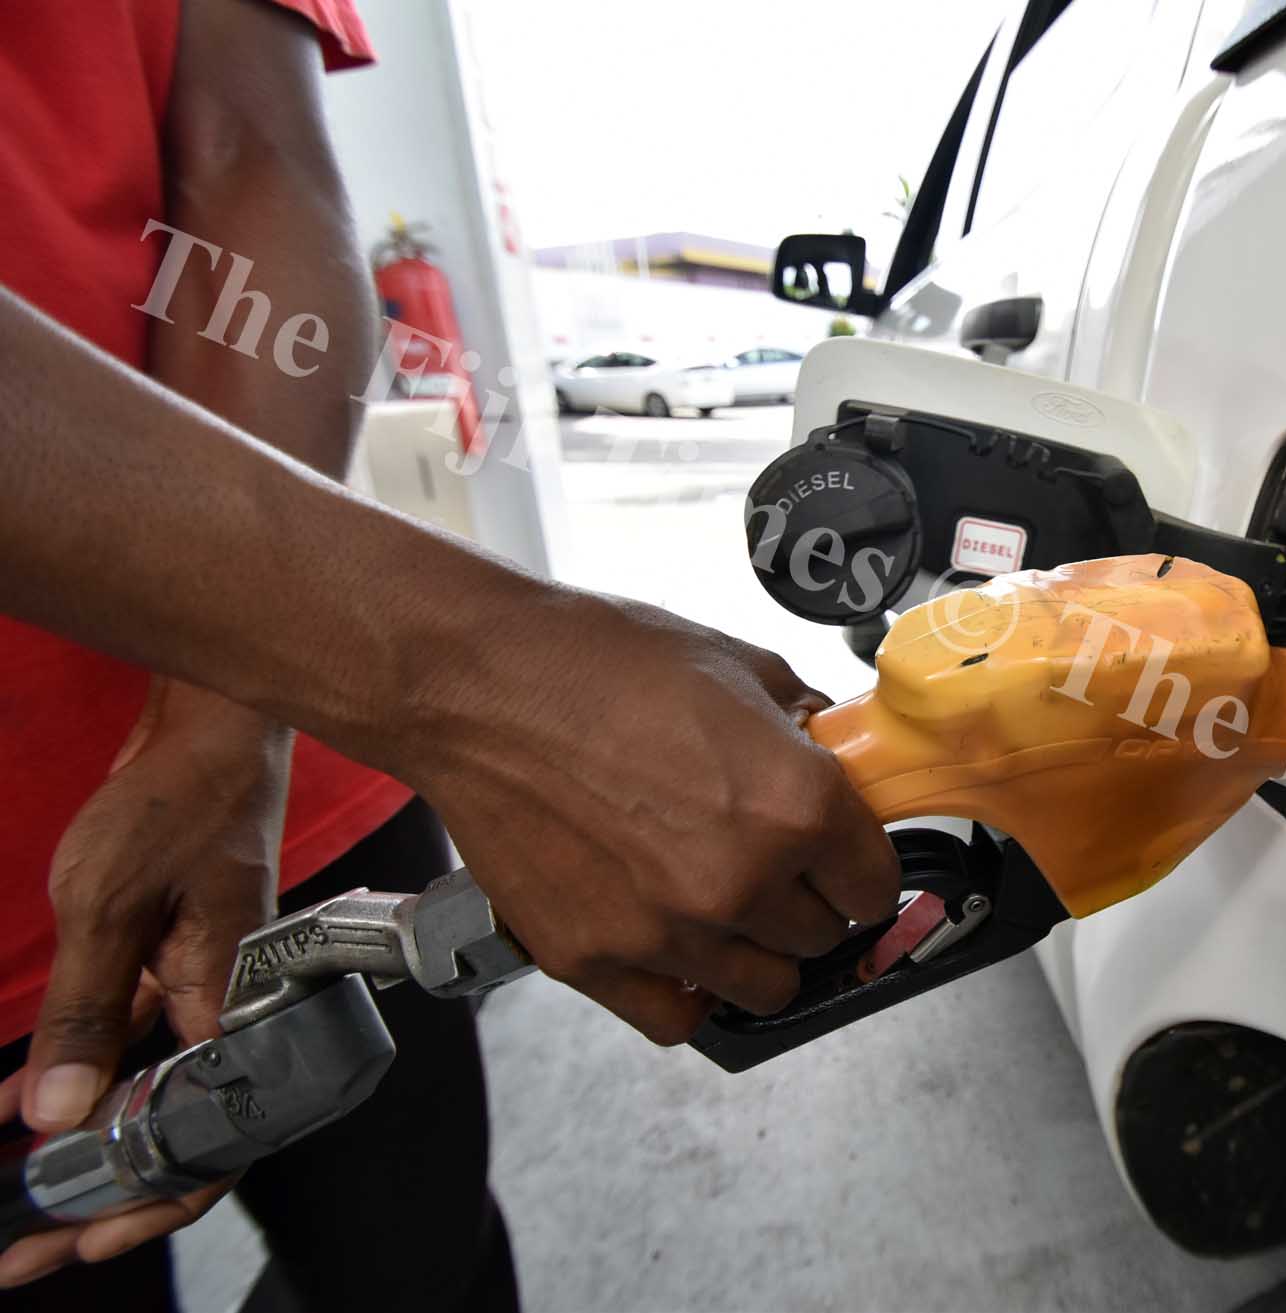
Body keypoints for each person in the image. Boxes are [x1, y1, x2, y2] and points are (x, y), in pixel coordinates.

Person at [0, 2, 898, 1307]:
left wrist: (223, 713)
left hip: (288, 794)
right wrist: (477, 685)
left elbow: (257, 169)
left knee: (423, 1263)